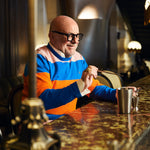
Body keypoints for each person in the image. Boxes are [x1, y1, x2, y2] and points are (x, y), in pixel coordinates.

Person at [22, 15, 136, 120]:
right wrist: (80, 84)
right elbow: (43, 101)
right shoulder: (38, 59)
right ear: (51, 36)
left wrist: (117, 94)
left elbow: (93, 88)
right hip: (41, 126)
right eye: (69, 36)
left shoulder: (78, 58)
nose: (75, 41)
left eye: (77, 36)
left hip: (68, 122)